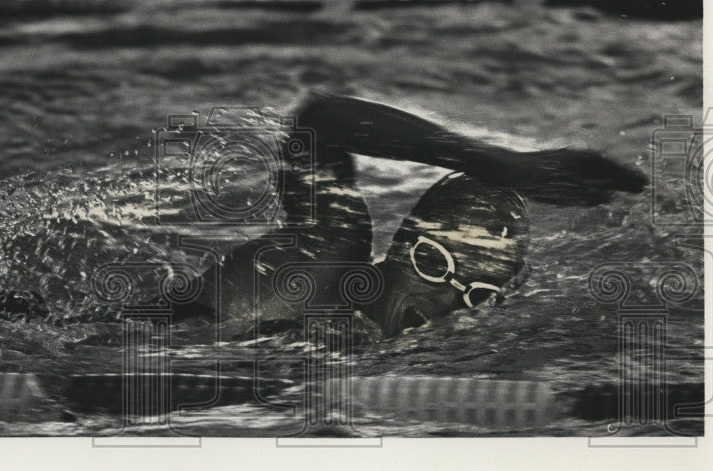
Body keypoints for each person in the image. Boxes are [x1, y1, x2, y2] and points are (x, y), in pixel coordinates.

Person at [155, 90, 647, 341]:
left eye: (478, 296)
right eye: (435, 265)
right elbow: (319, 122)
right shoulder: (323, 264)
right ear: (406, 249)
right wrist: (495, 161)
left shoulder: (393, 339)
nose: (446, 305)